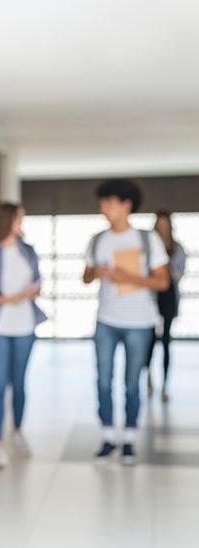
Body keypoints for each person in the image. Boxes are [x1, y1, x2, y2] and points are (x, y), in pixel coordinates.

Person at [83, 179, 169, 465]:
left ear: (126, 205)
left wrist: (127, 277)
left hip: (139, 322)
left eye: (108, 202)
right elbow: (86, 275)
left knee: (132, 383)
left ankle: (129, 438)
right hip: (106, 320)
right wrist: (97, 272)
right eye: (102, 203)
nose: (103, 208)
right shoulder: (98, 240)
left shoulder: (148, 240)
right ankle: (108, 436)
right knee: (102, 380)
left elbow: (163, 281)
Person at [0, 203, 46, 469]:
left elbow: (38, 281)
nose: (22, 222)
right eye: (19, 218)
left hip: (26, 326)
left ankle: (17, 432)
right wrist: (11, 298)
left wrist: (32, 292)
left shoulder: (28, 251)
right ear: (7, 220)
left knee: (20, 383)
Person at [145, 210, 186, 403]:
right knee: (149, 342)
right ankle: (149, 381)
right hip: (150, 299)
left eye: (165, 226)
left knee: (167, 342)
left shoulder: (177, 248)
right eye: (159, 226)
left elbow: (175, 275)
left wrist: (162, 261)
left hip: (168, 298)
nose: (162, 229)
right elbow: (145, 275)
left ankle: (165, 386)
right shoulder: (148, 248)